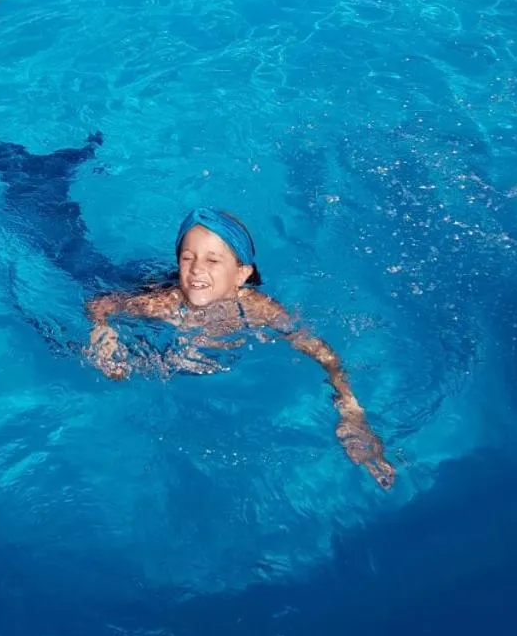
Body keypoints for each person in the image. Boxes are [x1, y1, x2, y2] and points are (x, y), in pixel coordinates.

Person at [86, 206, 395, 489]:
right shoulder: (162, 303)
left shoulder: (260, 311)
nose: (195, 270)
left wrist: (352, 412)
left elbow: (325, 356)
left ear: (242, 274)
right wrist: (102, 334)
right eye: (187, 257)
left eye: (212, 260)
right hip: (133, 278)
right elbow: (99, 305)